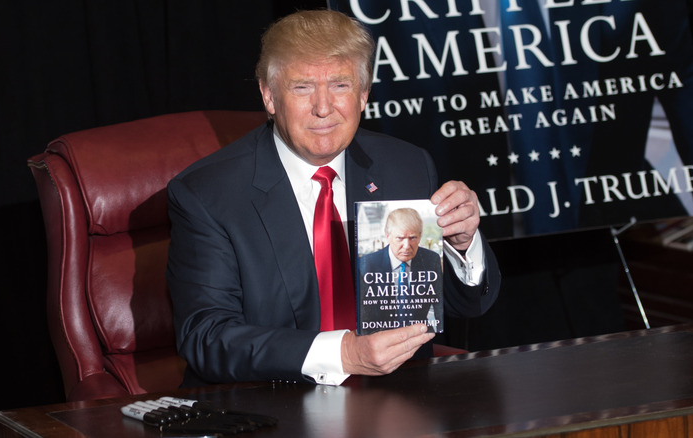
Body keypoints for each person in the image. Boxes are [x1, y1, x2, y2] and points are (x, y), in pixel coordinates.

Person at [166, 9, 501, 388]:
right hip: (272, 402)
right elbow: (206, 337)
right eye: (303, 87)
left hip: (398, 403)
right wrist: (343, 354)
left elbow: (464, 306)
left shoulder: (406, 166)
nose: (323, 107)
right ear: (269, 95)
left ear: (363, 94)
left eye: (340, 86)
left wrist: (461, 245)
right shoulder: (208, 194)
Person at [357, 208, 443, 333]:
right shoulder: (367, 264)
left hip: (421, 337)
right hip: (381, 340)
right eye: (400, 238)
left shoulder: (431, 260)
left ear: (420, 237)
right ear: (388, 236)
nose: (407, 246)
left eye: (413, 238)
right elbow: (365, 318)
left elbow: (439, 305)